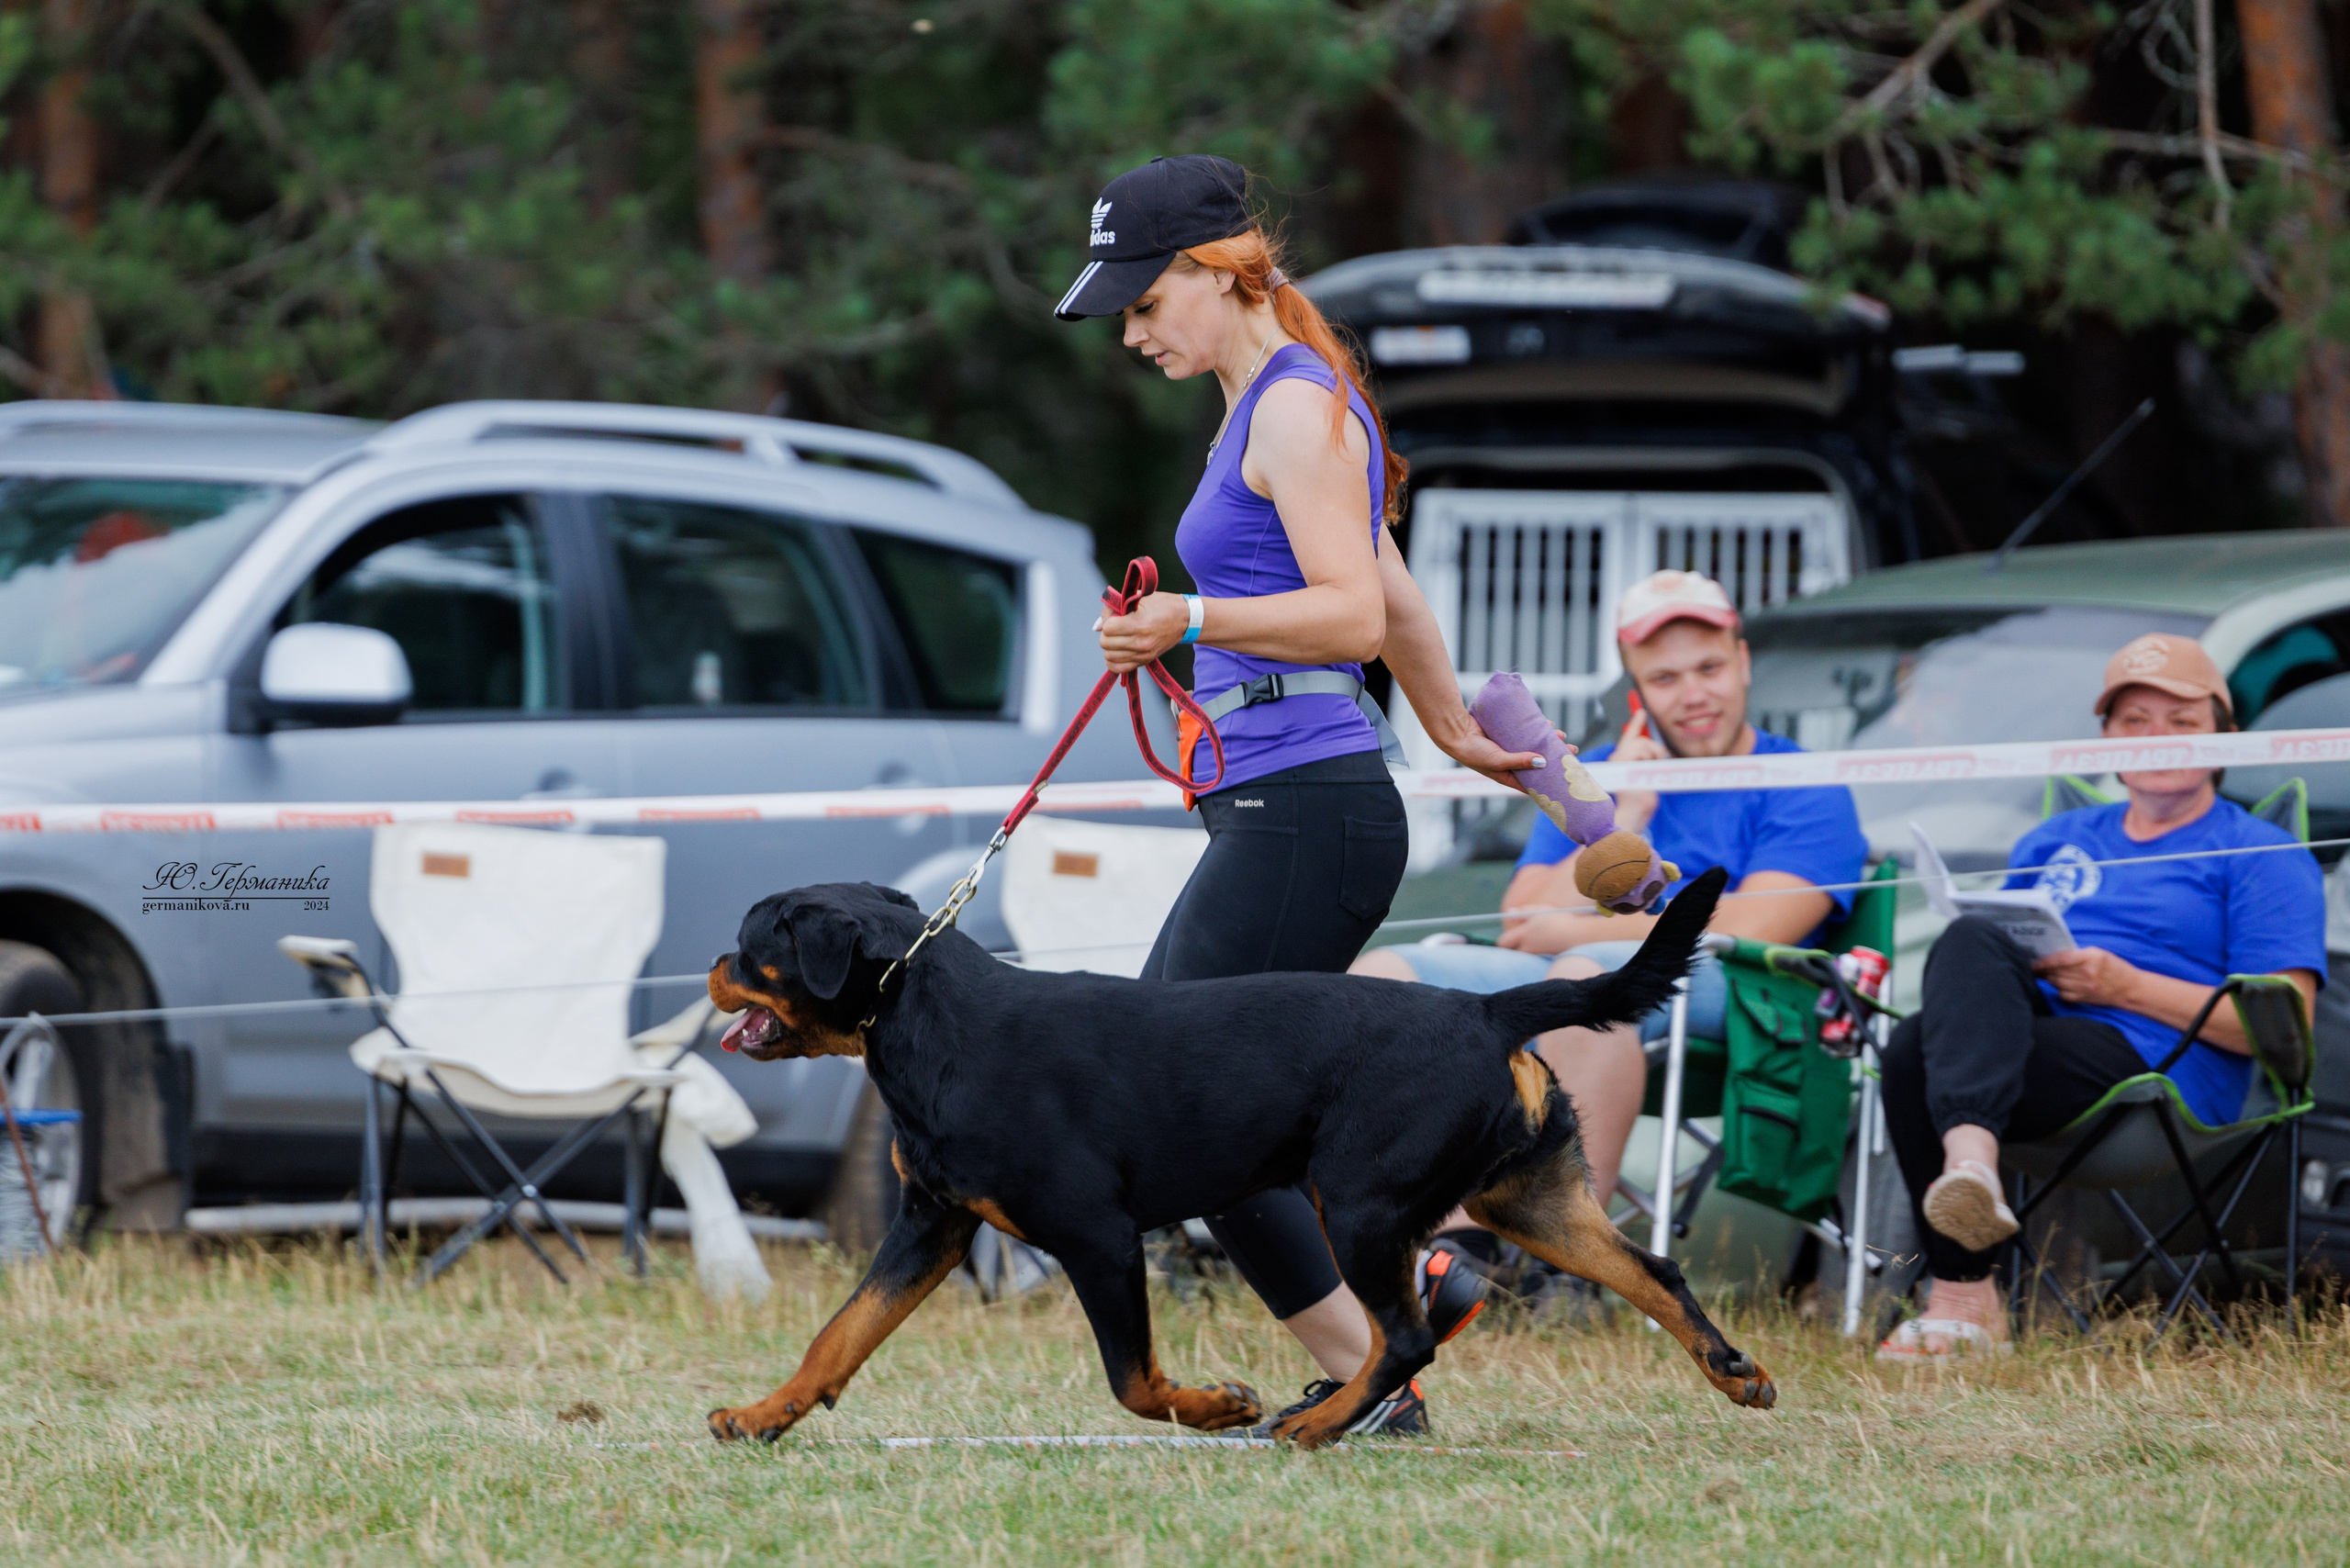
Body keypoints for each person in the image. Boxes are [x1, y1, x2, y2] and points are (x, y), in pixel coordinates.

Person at [1058, 155, 1543, 1434]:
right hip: (1290, 802)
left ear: (1217, 271)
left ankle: (1387, 1360)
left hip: (1310, 808)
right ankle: (1395, 1337)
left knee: (1176, 1109)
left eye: (1145, 300)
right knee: (1192, 1106)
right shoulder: (1266, 405)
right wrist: (1450, 726)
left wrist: (1191, 614)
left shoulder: (1294, 409)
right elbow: (1400, 594)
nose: (1133, 332)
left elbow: (1348, 610)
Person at [1351, 568, 1867, 1270]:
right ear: (1637, 691)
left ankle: (1559, 1257)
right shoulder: (1598, 772)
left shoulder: (1803, 780)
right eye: (1665, 679)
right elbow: (1522, 910)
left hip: (1745, 994)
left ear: (1744, 663)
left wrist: (1570, 933)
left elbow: (1757, 927)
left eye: (1710, 668)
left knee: (1582, 975)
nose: (1693, 695)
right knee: (1387, 977)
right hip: (1579, 968)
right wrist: (1624, 811)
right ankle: (1427, 1244)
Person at [1874, 633, 2326, 1361]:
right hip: (2036, 1046)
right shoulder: (2057, 837)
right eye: (2135, 721)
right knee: (1946, 976)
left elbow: (2284, 1029)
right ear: (2107, 739)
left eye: (2182, 723)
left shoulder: (2260, 852)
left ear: (2225, 739)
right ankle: (1971, 1214)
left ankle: (1961, 1287)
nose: (2157, 740)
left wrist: (2125, 985)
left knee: (1916, 1055)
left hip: (2161, 1067)